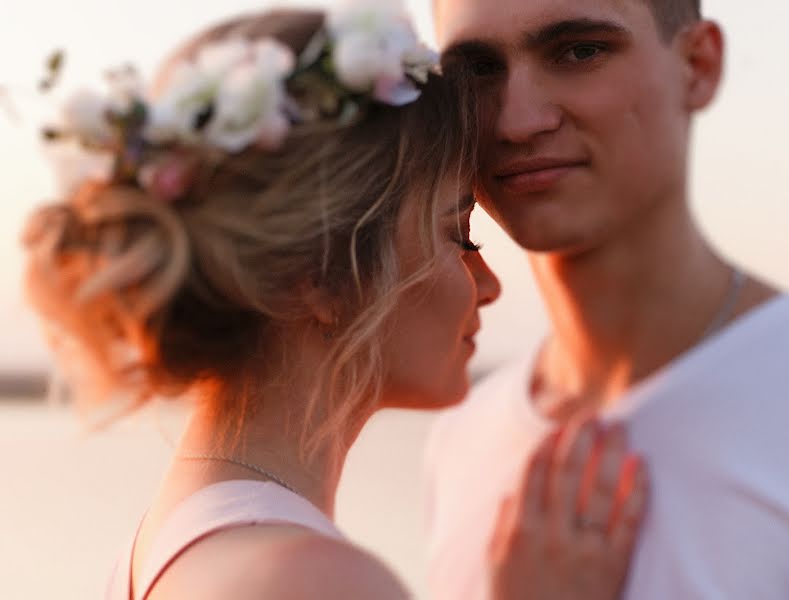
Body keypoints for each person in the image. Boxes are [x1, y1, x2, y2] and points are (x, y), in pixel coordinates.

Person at [22, 5, 648, 600]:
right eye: (460, 236)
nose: (489, 285)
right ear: (313, 276)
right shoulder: (305, 579)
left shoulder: (169, 542)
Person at [425, 0, 789, 598]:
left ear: (698, 65)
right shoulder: (464, 437)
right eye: (476, 70)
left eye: (580, 51)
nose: (517, 122)